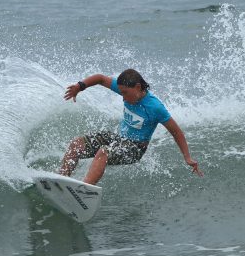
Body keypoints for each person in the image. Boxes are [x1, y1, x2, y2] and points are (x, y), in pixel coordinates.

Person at [60, 69, 203, 185]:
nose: (122, 97)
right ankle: (60, 180)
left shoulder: (155, 107)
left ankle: (84, 190)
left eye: (125, 93)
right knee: (76, 144)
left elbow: (176, 132)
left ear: (138, 87)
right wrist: (79, 86)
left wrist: (187, 157)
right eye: (121, 92)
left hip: (135, 148)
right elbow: (100, 78)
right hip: (119, 139)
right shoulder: (126, 88)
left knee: (104, 152)